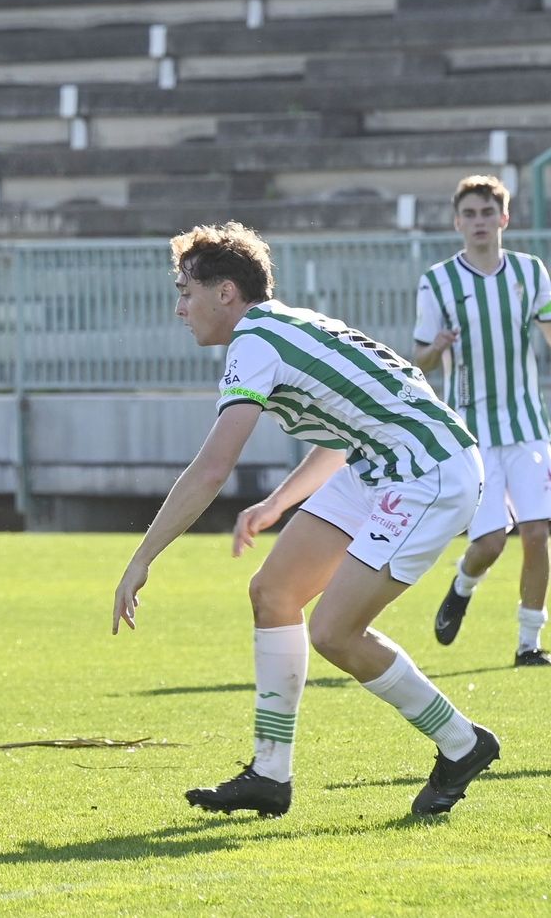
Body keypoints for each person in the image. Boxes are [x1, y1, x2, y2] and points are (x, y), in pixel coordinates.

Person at [111, 221, 499, 818]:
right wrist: (277, 504)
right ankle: (269, 774)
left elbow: (213, 469)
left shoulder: (256, 343)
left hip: (428, 471)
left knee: (334, 633)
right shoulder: (285, 326)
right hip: (380, 463)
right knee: (274, 592)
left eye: (187, 291)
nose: (179, 307)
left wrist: (141, 558)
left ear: (226, 294)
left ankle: (462, 742)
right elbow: (351, 427)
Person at [414, 175, 551, 667]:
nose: (479, 222)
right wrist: (437, 348)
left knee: (538, 531)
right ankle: (463, 583)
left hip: (528, 424)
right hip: (471, 432)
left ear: (504, 219)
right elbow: (420, 361)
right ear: (457, 222)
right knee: (491, 542)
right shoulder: (438, 281)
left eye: (487, 213)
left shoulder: (531, 272)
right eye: (469, 214)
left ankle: (528, 644)